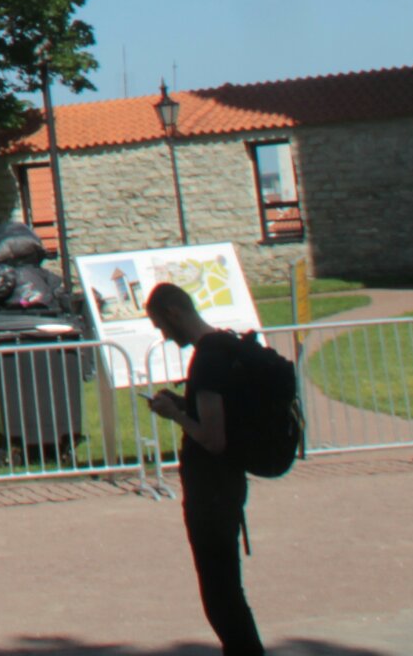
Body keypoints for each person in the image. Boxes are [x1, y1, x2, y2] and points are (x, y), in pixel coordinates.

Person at [143, 281, 264, 656]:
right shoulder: (224, 345)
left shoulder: (208, 360)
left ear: (174, 313)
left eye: (161, 325)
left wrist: (175, 414)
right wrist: (184, 402)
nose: (162, 334)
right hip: (226, 485)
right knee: (225, 588)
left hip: (212, 490)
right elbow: (221, 415)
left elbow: (213, 438)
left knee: (220, 593)